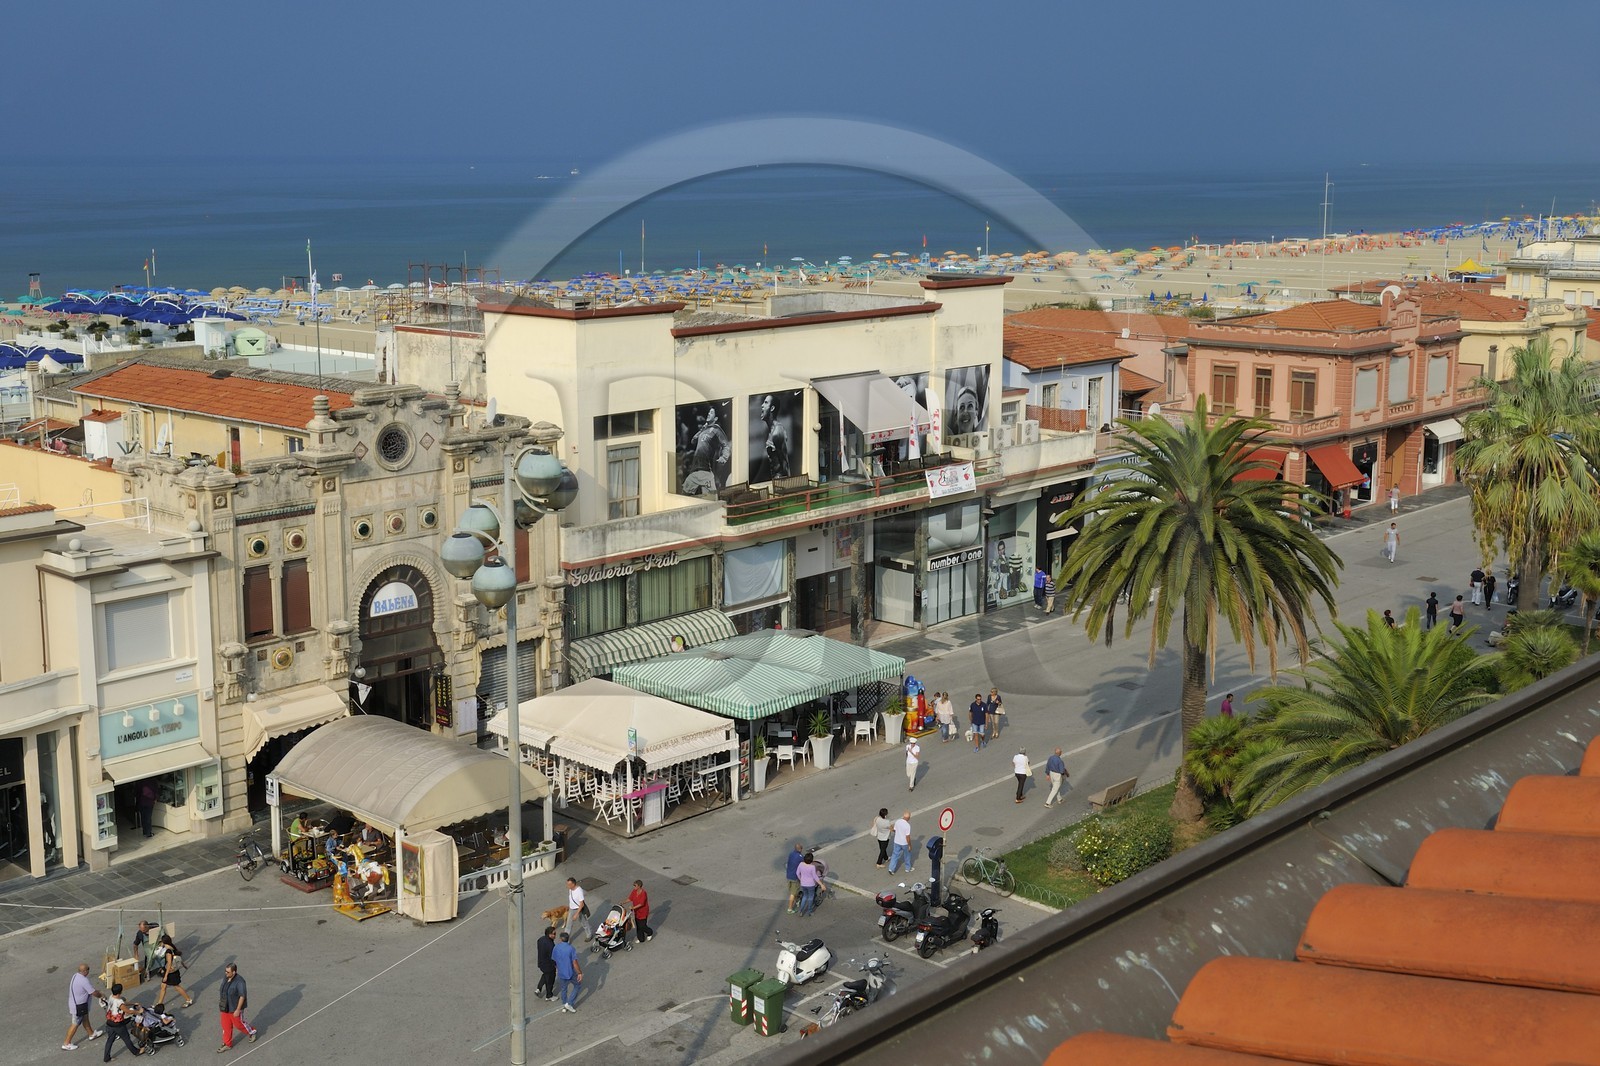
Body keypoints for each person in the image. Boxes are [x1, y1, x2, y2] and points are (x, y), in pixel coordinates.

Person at [64, 962, 106, 1051]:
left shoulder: (76, 976)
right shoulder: (84, 980)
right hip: (79, 1006)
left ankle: (91, 1034)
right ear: (85, 971)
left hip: (78, 1004)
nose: (88, 971)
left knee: (85, 1018)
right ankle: (66, 1043)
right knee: (75, 1023)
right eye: (88, 969)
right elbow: (93, 992)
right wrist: (101, 995)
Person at [216, 963, 256, 1052]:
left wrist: (238, 1010)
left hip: (234, 1008)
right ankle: (227, 1043)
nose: (226, 973)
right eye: (225, 971)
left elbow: (242, 996)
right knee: (225, 1025)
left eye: (228, 972)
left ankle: (252, 1032)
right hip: (225, 1007)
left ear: (233, 972)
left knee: (239, 1024)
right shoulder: (226, 977)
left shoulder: (240, 981)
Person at [101, 983, 141, 1061]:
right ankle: (136, 1052)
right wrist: (138, 1012)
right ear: (120, 992)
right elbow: (127, 1011)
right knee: (126, 1038)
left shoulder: (111, 997)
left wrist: (133, 1003)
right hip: (118, 1024)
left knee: (110, 1040)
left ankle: (106, 1057)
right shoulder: (119, 1001)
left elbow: (123, 1004)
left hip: (109, 1022)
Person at [152, 934, 193, 1009]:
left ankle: (188, 999)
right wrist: (184, 965)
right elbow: (177, 958)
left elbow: (169, 963)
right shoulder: (172, 948)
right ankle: (159, 1003)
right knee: (163, 986)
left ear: (163, 942)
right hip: (172, 971)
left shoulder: (168, 951)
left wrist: (166, 975)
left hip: (171, 972)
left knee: (176, 987)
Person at [759, 394, 791, 480]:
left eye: (766, 402)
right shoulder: (769, 430)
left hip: (779, 480)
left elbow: (785, 463)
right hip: (772, 478)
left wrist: (789, 483)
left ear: (772, 408)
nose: (762, 405)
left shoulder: (777, 432)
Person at [553, 932, 583, 1013]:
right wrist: (579, 972)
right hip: (570, 972)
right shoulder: (571, 948)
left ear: (560, 939)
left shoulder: (556, 947)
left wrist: (557, 968)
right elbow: (575, 963)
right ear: (568, 939)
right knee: (577, 985)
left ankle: (564, 1005)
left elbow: (554, 960)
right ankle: (569, 1003)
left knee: (563, 989)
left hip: (561, 972)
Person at [796, 851, 825, 917]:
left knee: (804, 896)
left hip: (803, 884)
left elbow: (797, 873)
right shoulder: (812, 867)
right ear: (811, 860)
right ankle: (809, 911)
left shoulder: (801, 864)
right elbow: (815, 877)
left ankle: (801, 911)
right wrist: (821, 884)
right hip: (811, 884)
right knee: (810, 898)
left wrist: (801, 879)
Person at [535, 926, 558, 1002]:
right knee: (550, 980)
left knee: (545, 975)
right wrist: (556, 965)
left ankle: (539, 988)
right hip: (549, 965)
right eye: (554, 934)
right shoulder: (550, 945)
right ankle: (549, 995)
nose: (555, 935)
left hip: (541, 962)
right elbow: (553, 957)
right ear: (549, 934)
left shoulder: (541, 939)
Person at [564, 877, 590, 942]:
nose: (567, 886)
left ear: (573, 884)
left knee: (584, 923)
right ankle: (566, 940)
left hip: (578, 910)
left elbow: (582, 904)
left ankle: (589, 935)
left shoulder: (579, 891)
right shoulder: (570, 889)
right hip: (571, 909)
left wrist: (576, 914)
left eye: (569, 884)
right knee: (568, 925)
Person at [785, 842, 805, 914]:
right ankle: (790, 909)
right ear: (800, 849)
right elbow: (805, 863)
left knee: (793, 890)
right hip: (795, 877)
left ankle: (797, 900)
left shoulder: (791, 854)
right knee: (793, 893)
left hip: (788, 875)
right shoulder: (800, 856)